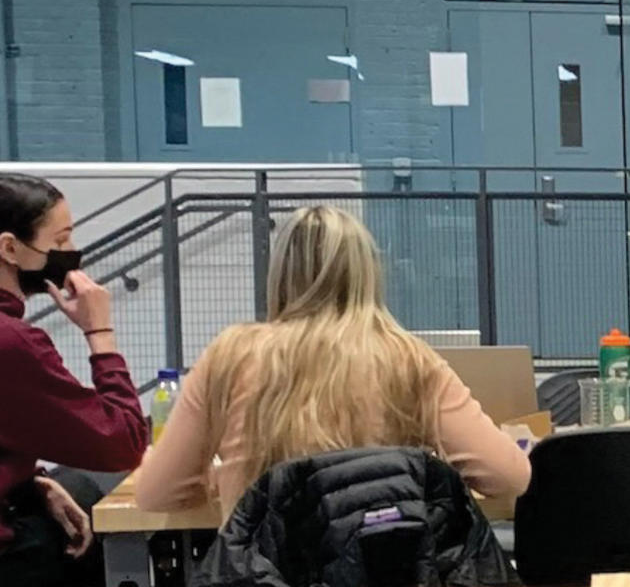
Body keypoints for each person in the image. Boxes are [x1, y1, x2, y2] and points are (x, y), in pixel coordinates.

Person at [138, 206, 531, 515]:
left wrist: (225, 478)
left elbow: (156, 493)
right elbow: (510, 477)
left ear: (279, 275)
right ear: (368, 274)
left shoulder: (230, 355)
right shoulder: (407, 359)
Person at [0, 173, 148, 587]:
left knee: (78, 488)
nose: (71, 252)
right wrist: (100, 333)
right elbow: (122, 440)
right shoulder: (1, 341)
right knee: (106, 527)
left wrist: (32, 480)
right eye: (62, 239)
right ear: (10, 249)